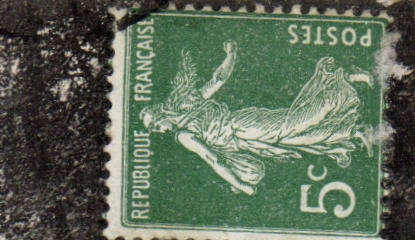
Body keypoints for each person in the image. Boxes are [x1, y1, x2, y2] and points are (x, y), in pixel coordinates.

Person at [140, 42, 373, 195]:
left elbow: (213, 159)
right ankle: (354, 131)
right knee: (298, 138)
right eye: (153, 129)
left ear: (162, 113)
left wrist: (240, 185)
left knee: (296, 124)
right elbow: (218, 82)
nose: (157, 129)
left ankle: (343, 79)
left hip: (241, 126)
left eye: (154, 124)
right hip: (244, 141)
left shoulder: (184, 131)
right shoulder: (185, 119)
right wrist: (231, 55)